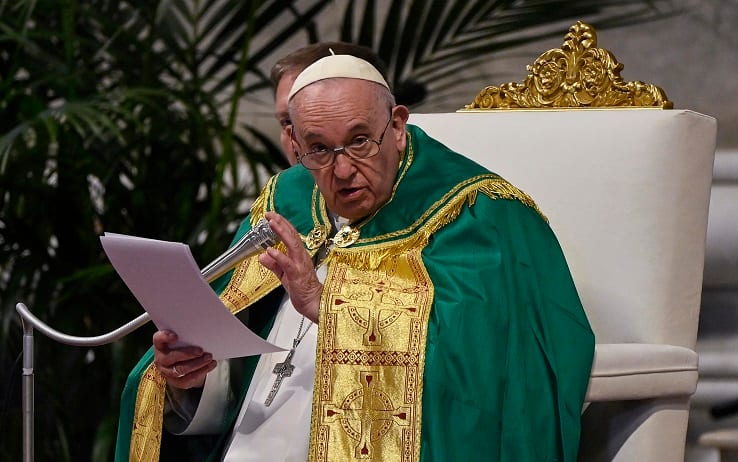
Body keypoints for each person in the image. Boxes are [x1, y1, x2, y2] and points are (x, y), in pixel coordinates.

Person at [115, 50, 595, 462]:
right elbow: (239, 363)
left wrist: (330, 309)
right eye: (319, 149)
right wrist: (193, 378)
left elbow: (490, 369)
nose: (342, 169)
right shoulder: (286, 203)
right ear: (296, 145)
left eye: (360, 140)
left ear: (399, 126)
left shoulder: (479, 215)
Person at [270, 42, 389, 165]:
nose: (298, 140)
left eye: (319, 115)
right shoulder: (281, 183)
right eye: (287, 122)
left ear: (395, 125)